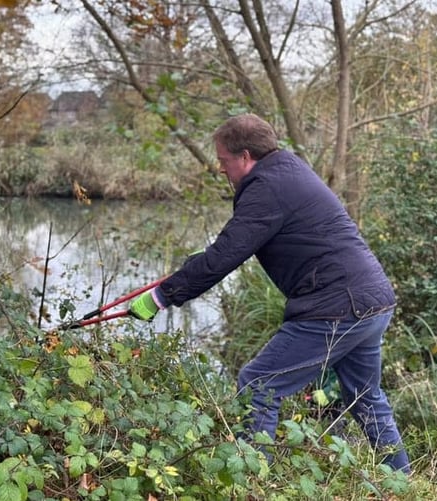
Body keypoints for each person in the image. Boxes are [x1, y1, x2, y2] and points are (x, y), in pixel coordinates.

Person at [128, 113, 410, 473]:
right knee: (366, 397)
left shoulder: (266, 188)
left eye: (223, 162)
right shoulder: (288, 170)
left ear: (245, 157)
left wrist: (160, 297)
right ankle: (403, 481)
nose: (222, 170)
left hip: (337, 305)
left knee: (259, 383)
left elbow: (227, 254)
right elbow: (235, 246)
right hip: (373, 299)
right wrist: (192, 269)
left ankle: (256, 483)